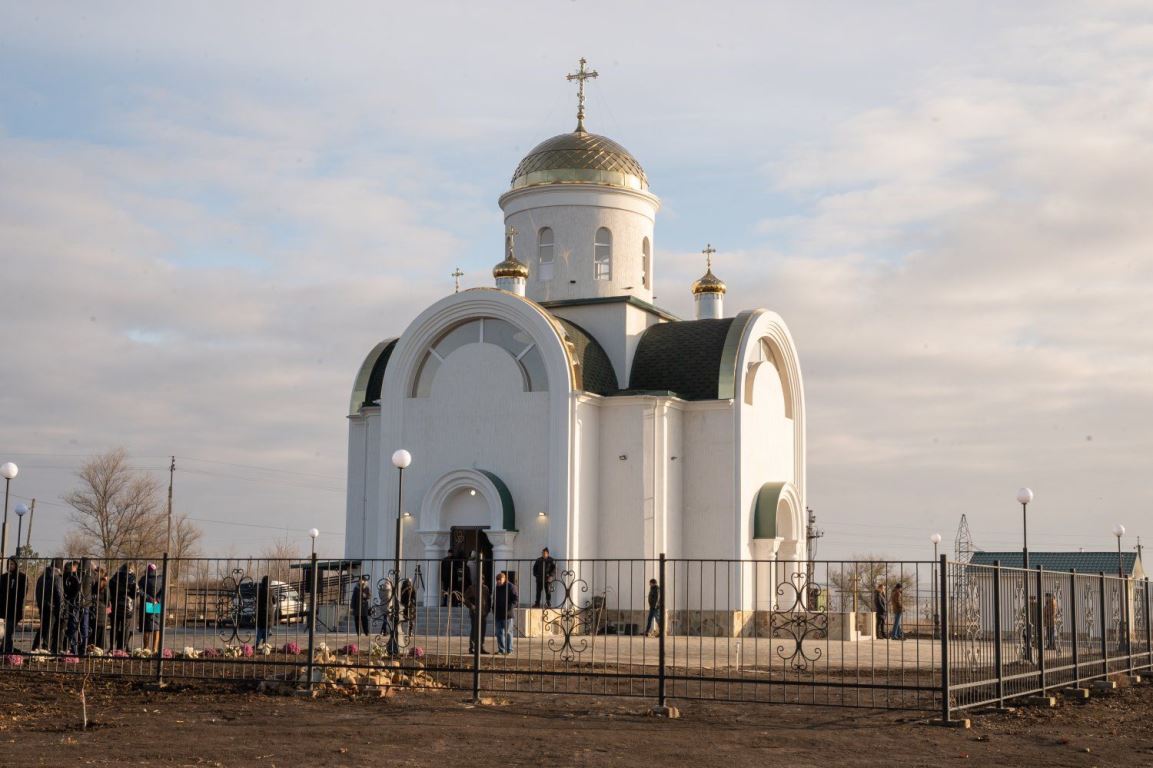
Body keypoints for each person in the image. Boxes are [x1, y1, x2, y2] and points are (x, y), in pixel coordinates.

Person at [33, 559, 64, 653]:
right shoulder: (57, 578)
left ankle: (35, 646)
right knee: (50, 628)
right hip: (53, 607)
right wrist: (61, 608)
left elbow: (37, 592)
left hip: (43, 606)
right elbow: (59, 594)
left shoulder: (41, 577)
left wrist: (40, 604)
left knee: (43, 627)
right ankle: (46, 647)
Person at [0, 557, 28, 653]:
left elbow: (23, 592)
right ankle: (6, 647)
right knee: (8, 628)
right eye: (9, 564)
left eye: (12, 564)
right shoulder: (3, 577)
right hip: (5, 607)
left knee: (10, 628)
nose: (10, 566)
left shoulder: (22, 577)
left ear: (16, 565)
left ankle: (6, 646)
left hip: (15, 607)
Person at [107, 563, 137, 651]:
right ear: (131, 569)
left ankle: (112, 647)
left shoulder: (115, 577)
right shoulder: (132, 578)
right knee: (126, 628)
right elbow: (136, 592)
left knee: (114, 627)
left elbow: (109, 590)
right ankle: (122, 648)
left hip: (115, 605)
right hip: (127, 606)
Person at [492, 571, 518, 655]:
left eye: (500, 579)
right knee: (499, 633)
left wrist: (510, 607)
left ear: (504, 579)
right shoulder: (497, 587)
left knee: (508, 633)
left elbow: (515, 599)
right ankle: (501, 650)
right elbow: (495, 599)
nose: (498, 581)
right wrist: (493, 608)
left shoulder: (511, 586)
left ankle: (509, 649)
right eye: (497, 580)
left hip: (507, 614)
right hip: (498, 614)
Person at [464, 576, 491, 655]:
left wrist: (488, 610)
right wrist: (471, 606)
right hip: (474, 613)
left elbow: (488, 600)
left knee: (482, 631)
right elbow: (465, 599)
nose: (480, 581)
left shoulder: (485, 588)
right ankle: (472, 648)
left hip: (483, 613)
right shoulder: (471, 588)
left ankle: (481, 648)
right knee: (475, 630)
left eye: (482, 579)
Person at [139, 563, 162, 653]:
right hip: (156, 604)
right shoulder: (160, 579)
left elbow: (139, 590)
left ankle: (146, 648)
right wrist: (157, 600)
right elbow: (163, 591)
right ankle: (155, 649)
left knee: (147, 628)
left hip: (147, 604)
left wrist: (149, 598)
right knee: (156, 627)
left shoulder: (143, 579)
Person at [62, 560, 83, 655]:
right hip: (73, 604)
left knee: (69, 626)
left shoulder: (65, 576)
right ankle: (73, 649)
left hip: (69, 603)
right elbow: (77, 590)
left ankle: (68, 647)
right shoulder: (72, 576)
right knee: (73, 626)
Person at [91, 568, 110, 651]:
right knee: (101, 633)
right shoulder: (105, 586)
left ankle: (92, 648)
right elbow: (108, 599)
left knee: (93, 632)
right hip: (102, 610)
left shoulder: (93, 585)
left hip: (93, 610)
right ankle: (100, 650)